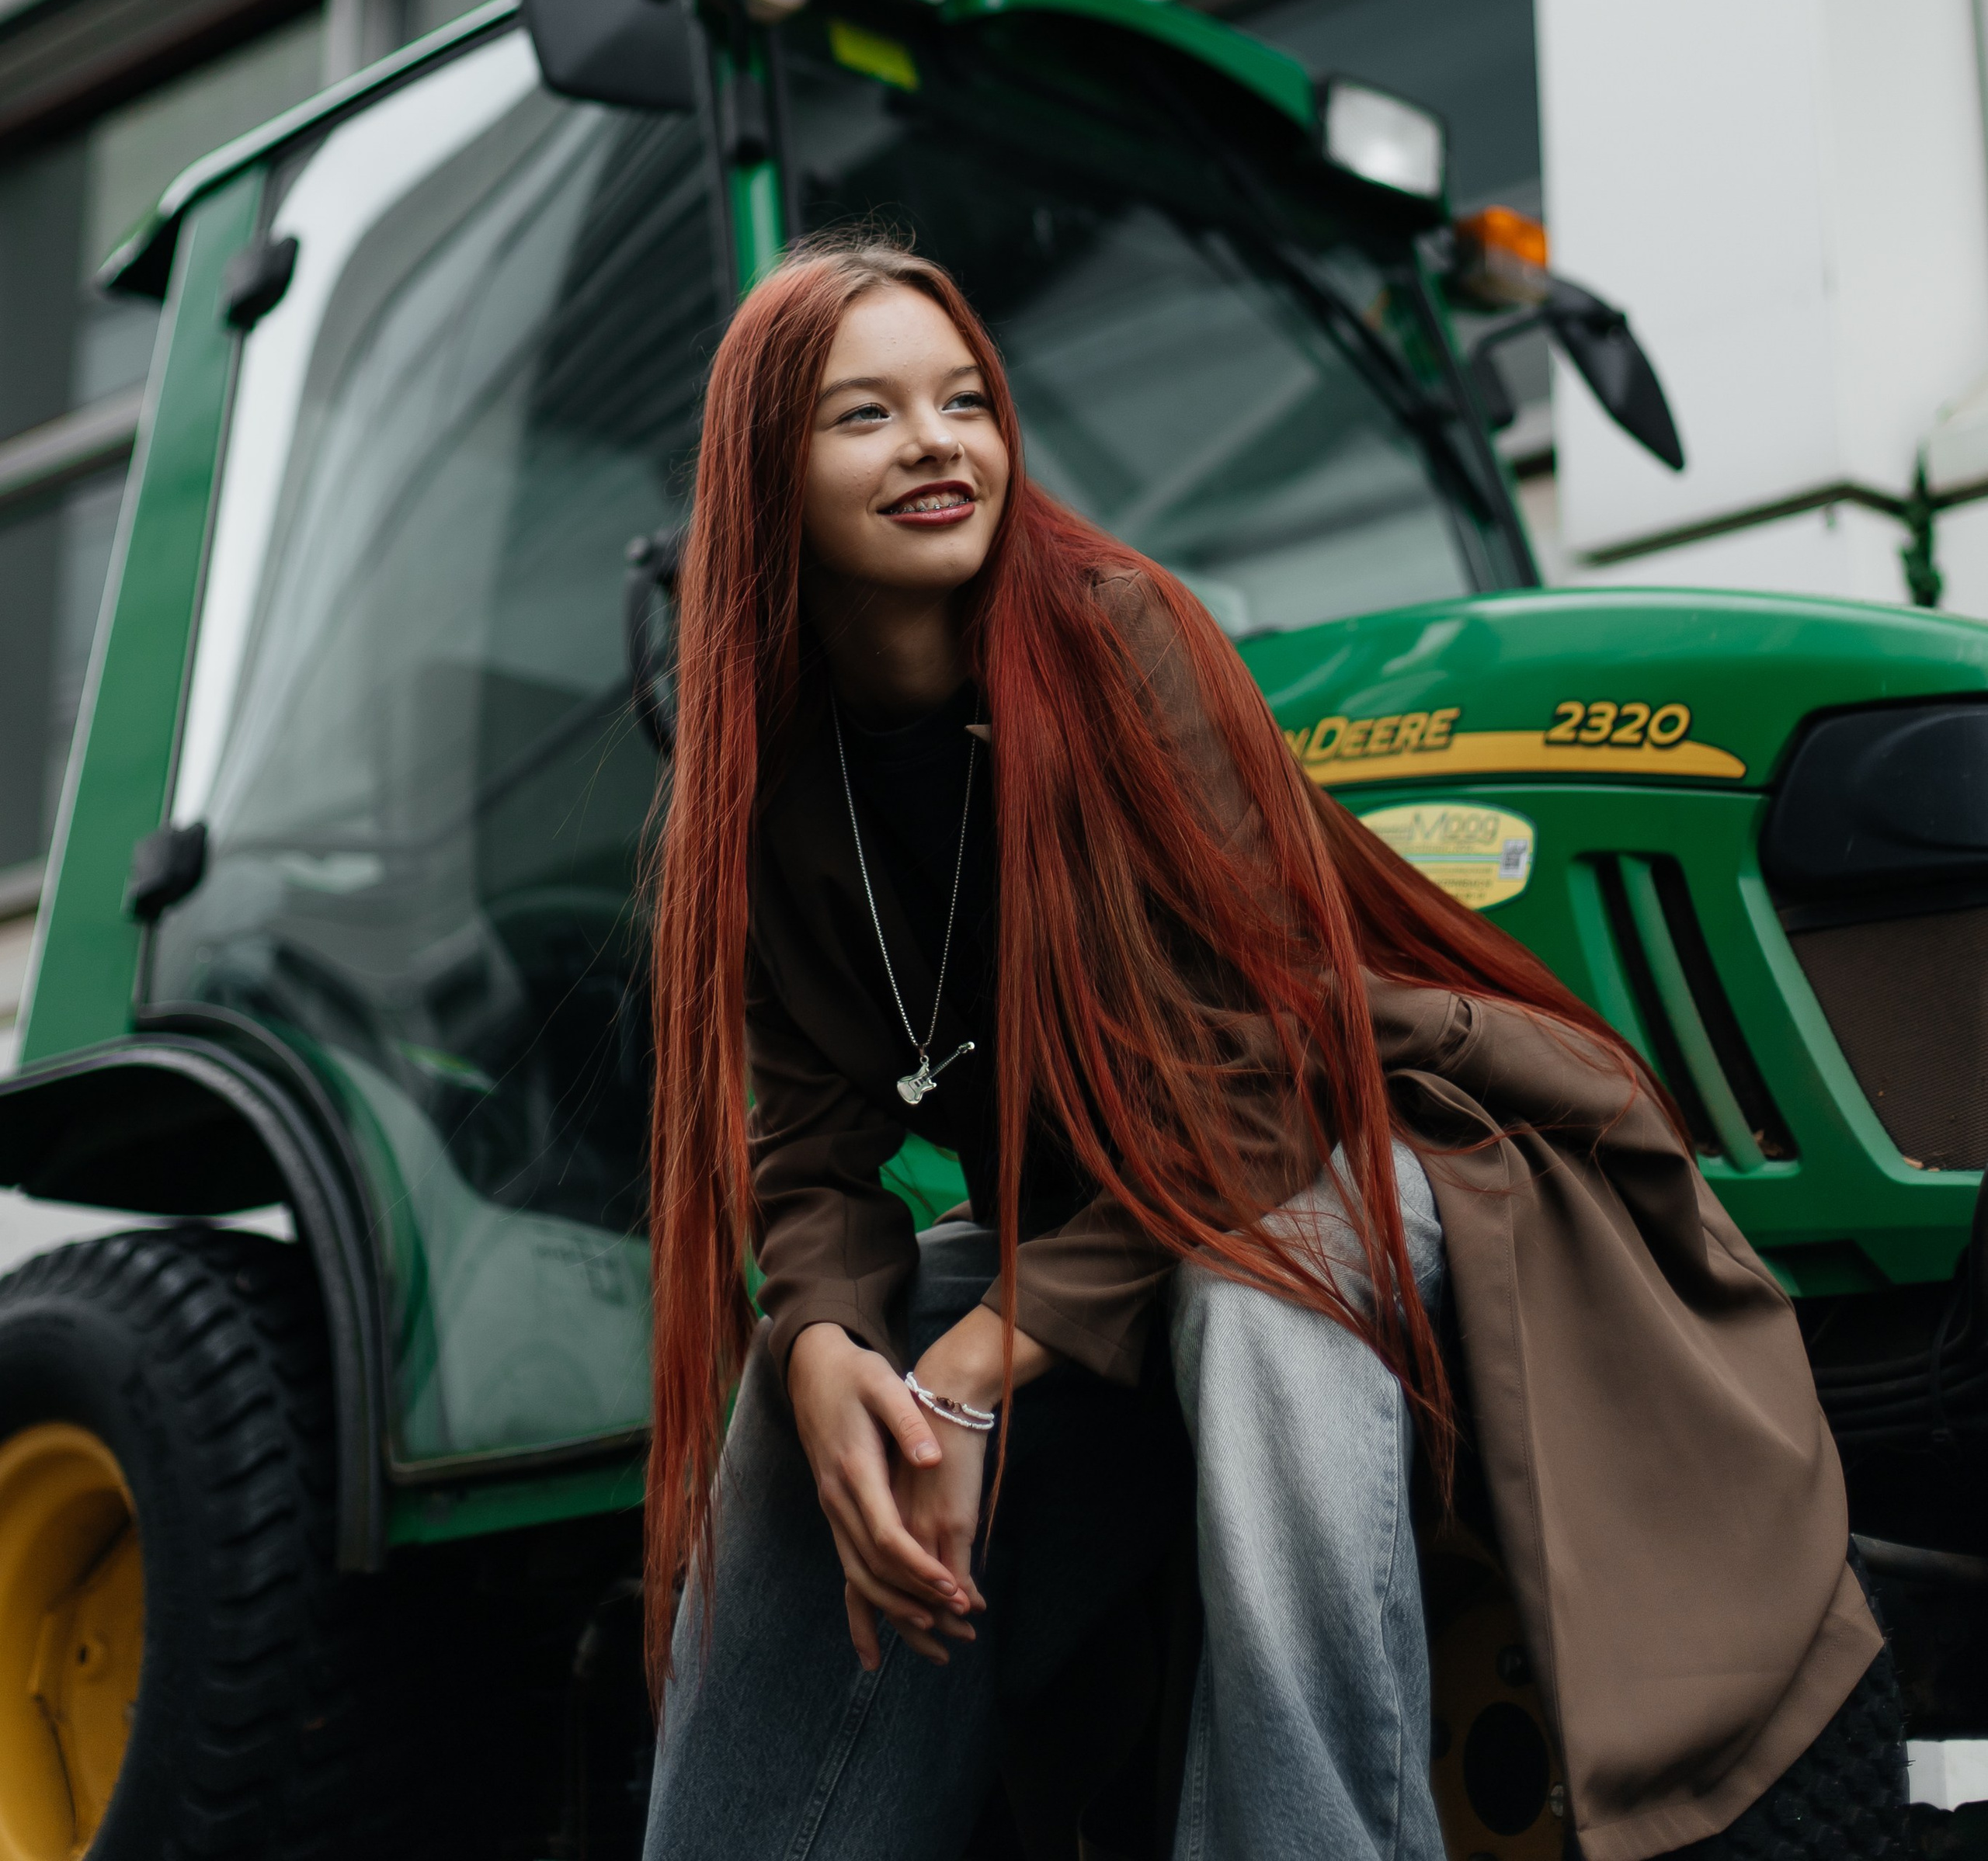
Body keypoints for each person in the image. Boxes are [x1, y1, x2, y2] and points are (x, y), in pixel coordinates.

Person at [641, 238, 1885, 1861]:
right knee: (817, 1402)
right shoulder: (764, 784)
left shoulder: (1116, 637)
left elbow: (1262, 1074)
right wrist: (826, 1351)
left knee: (1260, 1290)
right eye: (863, 416)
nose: (937, 444)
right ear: (763, 475)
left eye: (962, 401)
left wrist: (977, 1362)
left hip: (1349, 1137)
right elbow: (808, 1153)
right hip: (1109, 1221)